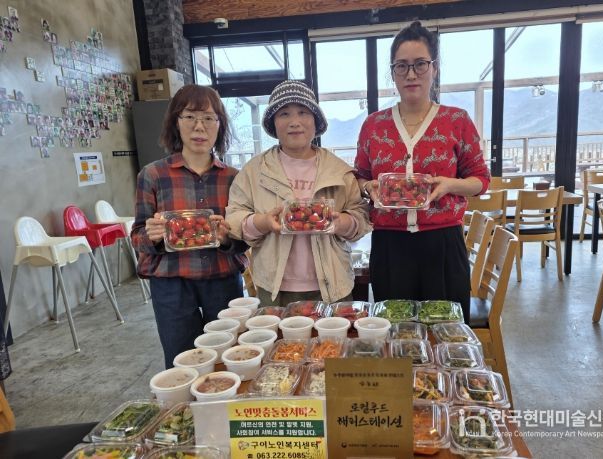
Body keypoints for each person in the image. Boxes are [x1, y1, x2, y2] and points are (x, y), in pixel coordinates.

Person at [354, 22, 490, 322]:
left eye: (420, 64)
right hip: (390, 246)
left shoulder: (456, 120)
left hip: (442, 243)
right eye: (402, 66)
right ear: (393, 72)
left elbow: (481, 180)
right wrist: (368, 187)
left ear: (434, 68)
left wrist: (450, 185)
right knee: (396, 330)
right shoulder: (374, 125)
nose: (411, 74)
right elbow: (360, 175)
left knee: (446, 331)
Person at [131, 85, 248, 368]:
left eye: (208, 118)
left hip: (222, 281)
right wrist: (153, 236)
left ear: (220, 125)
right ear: (176, 121)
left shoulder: (234, 178)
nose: (199, 127)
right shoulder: (153, 175)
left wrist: (227, 238)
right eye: (190, 117)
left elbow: (245, 238)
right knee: (181, 360)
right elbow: (137, 235)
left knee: (228, 359)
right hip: (171, 285)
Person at [226, 80, 370, 307]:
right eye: (284, 114)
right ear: (273, 123)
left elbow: (361, 217)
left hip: (334, 285)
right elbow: (234, 218)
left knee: (335, 332)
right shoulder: (254, 171)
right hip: (274, 288)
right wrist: (263, 222)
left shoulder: (338, 170)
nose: (294, 122)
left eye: (303, 112)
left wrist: (340, 223)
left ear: (316, 121)